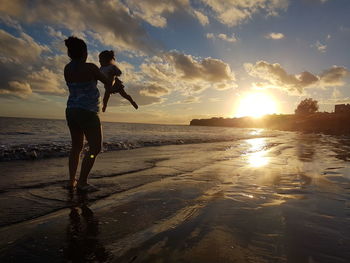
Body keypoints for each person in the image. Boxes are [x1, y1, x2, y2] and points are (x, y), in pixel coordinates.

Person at [64, 36, 113, 192]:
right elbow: (108, 83)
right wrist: (112, 75)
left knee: (76, 147)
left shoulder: (67, 69)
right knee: (95, 148)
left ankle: (72, 181)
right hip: (88, 113)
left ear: (70, 53)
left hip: (71, 111)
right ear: (84, 52)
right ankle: (83, 182)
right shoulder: (91, 68)